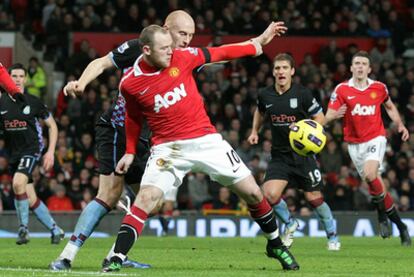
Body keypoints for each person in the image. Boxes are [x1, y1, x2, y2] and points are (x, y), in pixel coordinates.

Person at [103, 23, 299, 273]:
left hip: (206, 141)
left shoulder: (182, 57)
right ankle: (117, 257)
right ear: (146, 50)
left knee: (252, 193)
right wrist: (130, 151)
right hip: (167, 148)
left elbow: (222, 53)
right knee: (146, 198)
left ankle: (275, 244)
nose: (170, 51)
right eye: (164, 48)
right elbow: (132, 117)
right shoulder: (130, 84)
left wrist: (256, 43)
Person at [50, 10, 196, 271]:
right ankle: (66, 256)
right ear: (165, 29)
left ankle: (115, 255)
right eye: (182, 34)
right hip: (118, 128)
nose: (186, 40)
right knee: (108, 194)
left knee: (152, 200)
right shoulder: (141, 48)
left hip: (146, 140)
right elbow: (101, 63)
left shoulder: (182, 59)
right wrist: (81, 83)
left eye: (191, 35)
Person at [247, 53, 340, 251]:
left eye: (284, 68)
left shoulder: (303, 94)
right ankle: (290, 223)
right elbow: (260, 111)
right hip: (280, 155)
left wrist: (304, 129)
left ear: (292, 71)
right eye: (277, 68)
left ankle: (332, 236)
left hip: (303, 155)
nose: (281, 71)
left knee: (314, 198)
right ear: (273, 72)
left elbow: (321, 119)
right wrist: (255, 130)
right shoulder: (265, 95)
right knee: (269, 195)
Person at [325, 50, 411, 246]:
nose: (360, 66)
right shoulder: (341, 89)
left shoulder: (379, 88)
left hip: (375, 139)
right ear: (351, 68)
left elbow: (389, 106)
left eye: (364, 63)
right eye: (357, 63)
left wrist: (400, 124)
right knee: (376, 186)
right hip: (354, 145)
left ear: (369, 68)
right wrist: (334, 115)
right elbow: (328, 115)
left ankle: (384, 215)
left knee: (371, 175)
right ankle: (399, 225)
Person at [0, 63, 64, 245]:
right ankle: (55, 229)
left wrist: (50, 152)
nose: (18, 79)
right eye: (14, 76)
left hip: (31, 150)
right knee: (30, 197)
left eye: (21, 76)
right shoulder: (2, 103)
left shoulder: (33, 101)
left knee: (17, 183)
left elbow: (52, 125)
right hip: (14, 154)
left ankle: (23, 230)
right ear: (7, 79)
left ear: (26, 79)